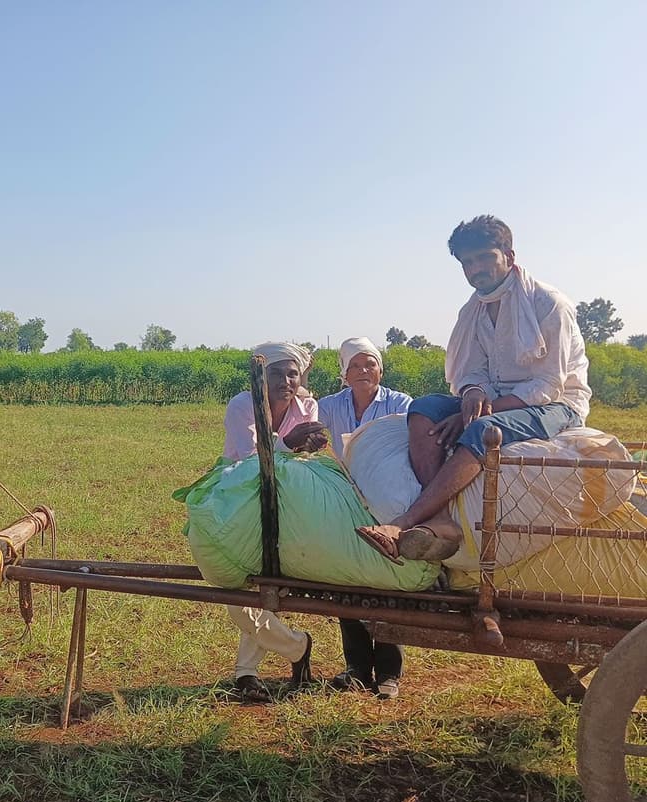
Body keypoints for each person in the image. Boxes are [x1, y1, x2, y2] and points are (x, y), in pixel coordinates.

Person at [356, 216, 590, 573]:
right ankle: (443, 520)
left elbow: (548, 385)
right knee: (423, 409)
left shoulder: (547, 304)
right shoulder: (474, 311)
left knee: (482, 431)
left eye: (484, 258)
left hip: (557, 404)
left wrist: (484, 410)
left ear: (509, 256)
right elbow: (472, 370)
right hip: (497, 397)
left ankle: (404, 521)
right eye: (467, 262)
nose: (475, 269)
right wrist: (472, 394)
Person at [222, 341, 327, 702]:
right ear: (262, 377)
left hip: (287, 498)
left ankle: (246, 673)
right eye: (277, 373)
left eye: (292, 374)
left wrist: (311, 444)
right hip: (240, 494)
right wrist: (289, 443)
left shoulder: (307, 405)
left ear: (301, 378)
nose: (285, 380)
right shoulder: (243, 404)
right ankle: (297, 647)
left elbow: (304, 456)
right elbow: (251, 459)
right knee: (234, 585)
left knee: (267, 580)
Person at [318, 337, 412, 699]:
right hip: (346, 499)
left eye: (369, 364)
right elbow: (306, 419)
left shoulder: (400, 403)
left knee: (389, 579)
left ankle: (389, 672)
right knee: (350, 578)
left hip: (388, 500)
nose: (362, 371)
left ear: (380, 369)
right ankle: (356, 667)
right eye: (354, 366)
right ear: (344, 374)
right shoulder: (330, 406)